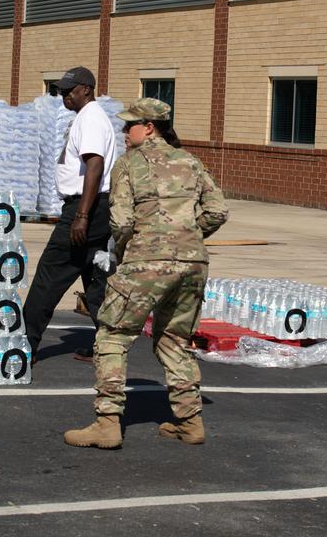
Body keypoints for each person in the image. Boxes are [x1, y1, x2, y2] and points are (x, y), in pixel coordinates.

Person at [63, 98, 229, 449]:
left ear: (149, 127)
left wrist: (128, 251)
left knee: (112, 335)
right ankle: (190, 421)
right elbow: (217, 211)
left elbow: (121, 221)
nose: (124, 132)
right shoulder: (191, 161)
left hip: (145, 263)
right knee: (174, 340)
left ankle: (107, 422)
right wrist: (186, 237)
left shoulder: (128, 164)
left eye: (129, 126)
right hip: (192, 265)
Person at [23, 66, 118, 363]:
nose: (65, 95)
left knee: (50, 275)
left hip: (85, 208)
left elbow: (95, 166)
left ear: (86, 89)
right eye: (62, 91)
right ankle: (110, 348)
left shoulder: (90, 118)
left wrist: (81, 216)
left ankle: (24, 345)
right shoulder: (86, 118)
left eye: (70, 90)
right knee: (95, 281)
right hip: (94, 208)